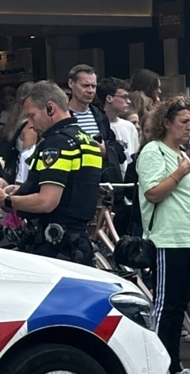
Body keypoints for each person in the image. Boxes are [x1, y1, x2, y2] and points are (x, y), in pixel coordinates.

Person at [136, 97, 190, 374]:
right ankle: (159, 372)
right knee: (165, 307)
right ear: (166, 123)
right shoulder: (154, 151)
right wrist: (179, 173)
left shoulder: (181, 154)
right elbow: (152, 192)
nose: (189, 127)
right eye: (183, 122)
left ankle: (174, 365)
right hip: (168, 237)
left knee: (179, 306)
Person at [0, 81, 101, 264]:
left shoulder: (56, 143)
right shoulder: (87, 140)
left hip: (55, 246)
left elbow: (46, 202)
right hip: (79, 242)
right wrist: (21, 190)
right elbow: (72, 186)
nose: (31, 124)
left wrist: (6, 200)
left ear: (50, 108)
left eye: (32, 116)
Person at [68, 65, 125, 184]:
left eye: (93, 86)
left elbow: (117, 148)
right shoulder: (62, 115)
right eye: (85, 86)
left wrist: (106, 151)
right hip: (73, 179)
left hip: (100, 180)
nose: (90, 91)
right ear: (71, 84)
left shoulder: (100, 115)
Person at [0, 81, 37, 184]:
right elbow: (28, 160)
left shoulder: (13, 120)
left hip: (8, 173)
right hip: (20, 178)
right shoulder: (30, 127)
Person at [99, 77, 140, 166]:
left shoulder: (129, 126)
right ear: (109, 98)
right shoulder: (97, 126)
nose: (128, 101)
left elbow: (134, 155)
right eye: (124, 97)